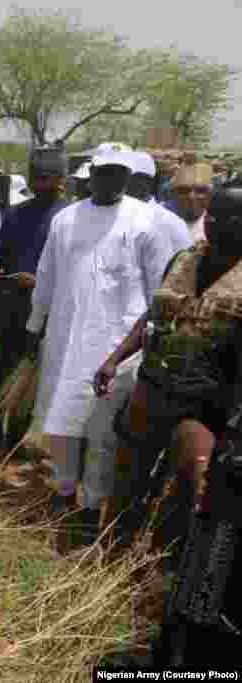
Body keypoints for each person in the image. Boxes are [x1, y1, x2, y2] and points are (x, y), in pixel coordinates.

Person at [26, 149, 178, 548]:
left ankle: (90, 510)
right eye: (102, 172)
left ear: (127, 176)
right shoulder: (65, 219)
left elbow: (157, 293)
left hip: (117, 350)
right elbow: (46, 276)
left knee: (101, 434)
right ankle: (62, 493)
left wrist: (144, 346)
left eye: (118, 173)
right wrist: (34, 326)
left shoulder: (145, 223)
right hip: (64, 340)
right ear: (91, 174)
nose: (109, 179)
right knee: (61, 428)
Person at [100, 178, 242, 558]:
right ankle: (112, 552)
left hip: (205, 407)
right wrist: (115, 359)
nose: (218, 224)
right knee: (127, 477)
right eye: (215, 216)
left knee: (189, 489)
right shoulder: (183, 259)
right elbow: (154, 313)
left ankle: (162, 568)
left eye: (232, 218)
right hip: (153, 388)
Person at [0, 147, 70, 453]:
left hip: (44, 312)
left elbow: (74, 270)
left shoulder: (68, 217)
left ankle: (15, 441)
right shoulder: (16, 213)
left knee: (28, 378)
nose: (40, 184)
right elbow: (0, 251)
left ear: (62, 180)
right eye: (36, 178)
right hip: (8, 306)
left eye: (46, 178)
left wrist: (39, 282)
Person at [126, 151, 194, 253]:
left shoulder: (171, 223)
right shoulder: (112, 215)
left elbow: (185, 262)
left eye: (124, 177)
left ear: (145, 183)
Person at [166, 163, 213, 243]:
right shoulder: (161, 223)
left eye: (200, 191)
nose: (191, 197)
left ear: (209, 195)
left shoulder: (218, 225)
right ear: (172, 194)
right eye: (184, 190)